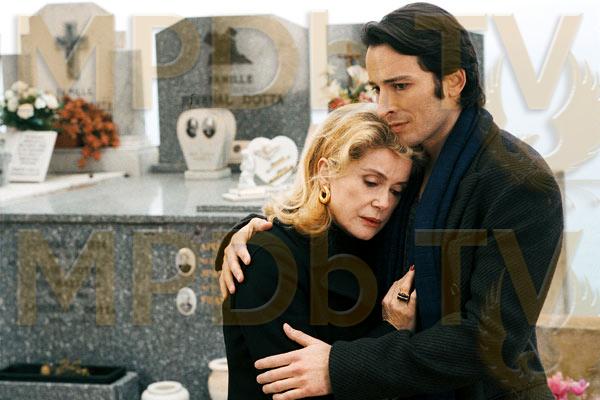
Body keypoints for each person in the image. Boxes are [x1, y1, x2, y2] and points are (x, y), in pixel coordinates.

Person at [217, 3, 564, 399]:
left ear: (454, 82)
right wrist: (253, 235)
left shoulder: (519, 182)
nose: (383, 106)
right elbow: (334, 222)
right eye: (377, 88)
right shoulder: (411, 159)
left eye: (400, 86)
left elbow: (491, 342)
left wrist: (339, 366)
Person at [221, 103, 422, 399]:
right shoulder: (267, 259)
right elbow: (294, 390)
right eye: (371, 182)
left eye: (396, 191)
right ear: (325, 172)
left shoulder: (376, 246)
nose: (383, 202)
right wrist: (392, 331)